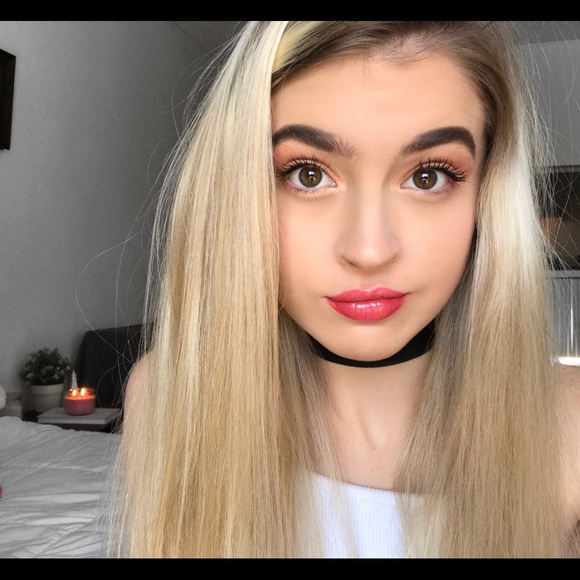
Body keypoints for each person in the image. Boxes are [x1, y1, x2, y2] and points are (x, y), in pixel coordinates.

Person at [109, 21, 580, 558]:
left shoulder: (570, 424)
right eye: (307, 175)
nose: (369, 249)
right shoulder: (170, 398)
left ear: (486, 197)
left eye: (428, 177)